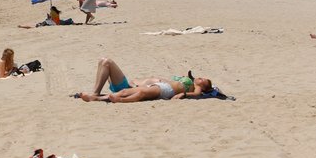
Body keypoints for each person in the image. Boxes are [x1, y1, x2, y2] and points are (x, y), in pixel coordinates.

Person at [74, 57, 213, 102]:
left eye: (204, 80)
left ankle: (95, 95)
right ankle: (96, 93)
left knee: (107, 62)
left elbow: (197, 94)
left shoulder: (195, 88)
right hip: (131, 85)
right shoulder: (186, 81)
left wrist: (184, 94)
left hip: (130, 89)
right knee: (103, 61)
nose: (201, 78)